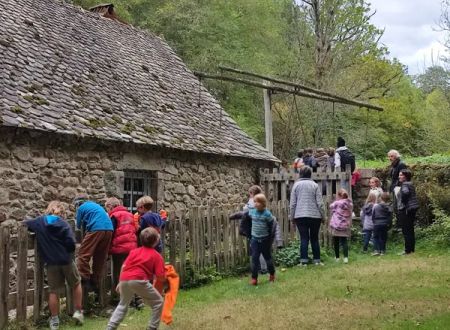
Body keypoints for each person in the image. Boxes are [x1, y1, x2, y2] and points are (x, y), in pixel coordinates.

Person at [24, 201, 83, 330]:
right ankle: (78, 312)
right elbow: (71, 244)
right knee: (76, 283)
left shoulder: (39, 222)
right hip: (66, 260)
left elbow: (26, 224)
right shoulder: (63, 224)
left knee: (54, 291)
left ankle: (55, 321)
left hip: (51, 262)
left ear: (48, 210)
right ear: (62, 213)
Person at [106, 227, 165, 330]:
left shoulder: (134, 252)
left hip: (125, 278)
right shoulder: (156, 256)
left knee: (123, 304)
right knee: (158, 302)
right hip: (139, 280)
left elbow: (124, 267)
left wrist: (120, 282)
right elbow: (160, 276)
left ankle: (110, 327)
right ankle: (152, 327)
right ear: (156, 241)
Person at [73, 193, 113, 292]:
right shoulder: (96, 206)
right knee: (100, 256)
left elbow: (78, 225)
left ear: (78, 203)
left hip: (96, 228)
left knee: (83, 254)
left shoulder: (81, 208)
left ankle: (85, 279)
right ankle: (96, 282)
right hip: (109, 229)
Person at [290, 166, 326, 266]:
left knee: (304, 238)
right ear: (310, 174)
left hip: (300, 216)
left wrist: (292, 217)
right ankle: (317, 260)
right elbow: (320, 203)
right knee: (314, 238)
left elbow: (293, 204)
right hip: (315, 216)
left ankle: (303, 261)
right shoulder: (314, 185)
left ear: (300, 174)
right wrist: (323, 216)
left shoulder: (296, 185)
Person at [105, 197, 138, 300]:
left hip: (119, 248)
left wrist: (107, 248)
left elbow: (111, 232)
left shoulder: (114, 216)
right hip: (131, 247)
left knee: (118, 272)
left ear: (110, 207)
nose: (108, 212)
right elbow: (135, 229)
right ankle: (132, 296)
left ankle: (120, 297)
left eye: (107, 209)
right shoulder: (130, 214)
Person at [248, 193, 276, 285]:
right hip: (255, 240)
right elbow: (244, 216)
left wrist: (269, 237)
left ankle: (272, 274)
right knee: (255, 259)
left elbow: (272, 225)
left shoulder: (267, 214)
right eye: (255, 202)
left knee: (268, 258)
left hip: (264, 241)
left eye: (258, 202)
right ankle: (254, 279)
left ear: (263, 203)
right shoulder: (252, 212)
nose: (256, 204)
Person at [397, 169, 419, 255]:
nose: (399, 176)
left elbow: (405, 193)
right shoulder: (410, 184)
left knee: (406, 231)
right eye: (399, 175)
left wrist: (404, 202)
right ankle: (411, 249)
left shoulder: (405, 184)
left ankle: (407, 250)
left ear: (406, 176)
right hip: (411, 209)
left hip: (405, 210)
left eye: (401, 175)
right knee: (410, 230)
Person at [329, 189, 353, 263]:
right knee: (344, 241)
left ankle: (337, 258)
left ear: (339, 196)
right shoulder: (350, 204)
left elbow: (331, 206)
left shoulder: (337, 203)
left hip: (336, 225)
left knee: (336, 241)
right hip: (345, 224)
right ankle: (346, 258)